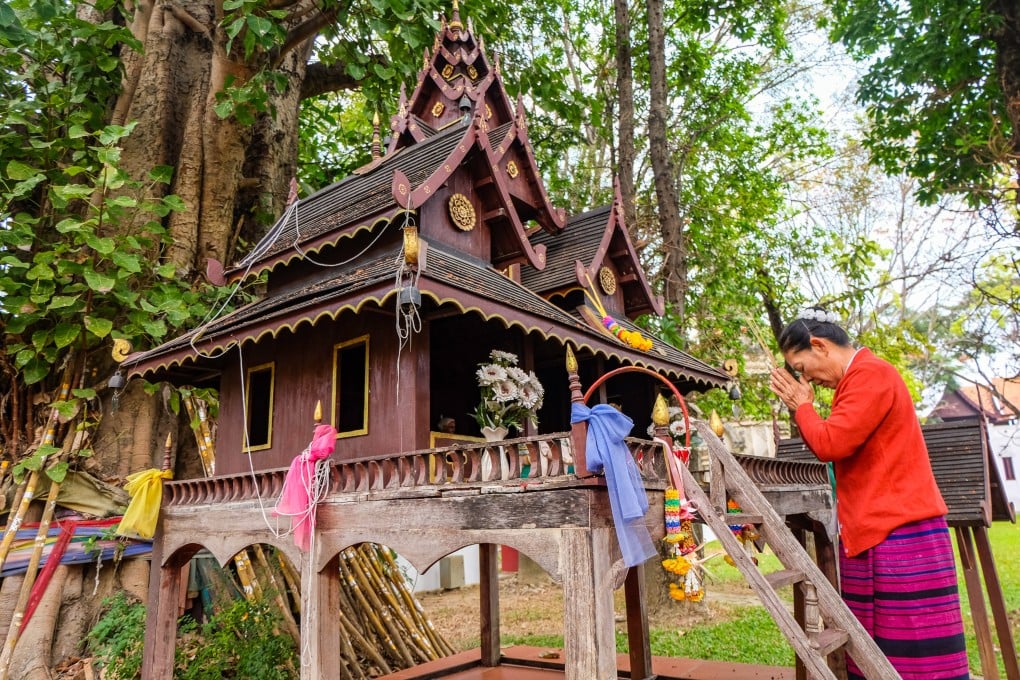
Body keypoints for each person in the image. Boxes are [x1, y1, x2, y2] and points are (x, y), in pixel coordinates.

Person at [769, 307, 969, 680]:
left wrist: (802, 406)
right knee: (876, 648)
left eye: (801, 365)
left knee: (915, 656)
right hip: (878, 531)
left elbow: (831, 443)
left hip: (901, 533)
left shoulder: (870, 376)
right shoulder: (858, 379)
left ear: (819, 345)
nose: (805, 376)